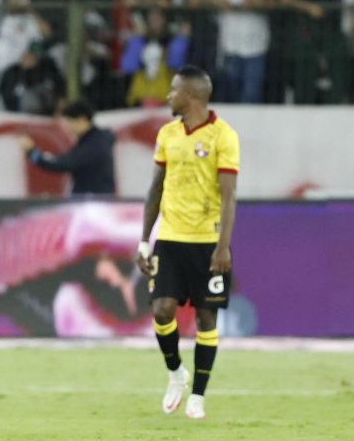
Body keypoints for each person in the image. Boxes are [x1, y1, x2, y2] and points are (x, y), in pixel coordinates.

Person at [135, 65, 239, 421]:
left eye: (174, 90)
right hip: (171, 239)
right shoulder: (167, 134)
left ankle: (198, 396)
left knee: (206, 317)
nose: (168, 95)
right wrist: (143, 241)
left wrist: (222, 247)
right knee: (162, 310)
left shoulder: (223, 136)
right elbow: (155, 189)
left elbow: (229, 197)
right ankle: (176, 372)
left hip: (208, 241)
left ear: (191, 95)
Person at [20, 100, 115, 195]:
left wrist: (32, 152)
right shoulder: (96, 140)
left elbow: (59, 163)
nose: (68, 127)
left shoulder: (93, 146)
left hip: (92, 204)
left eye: (70, 122)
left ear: (82, 119)